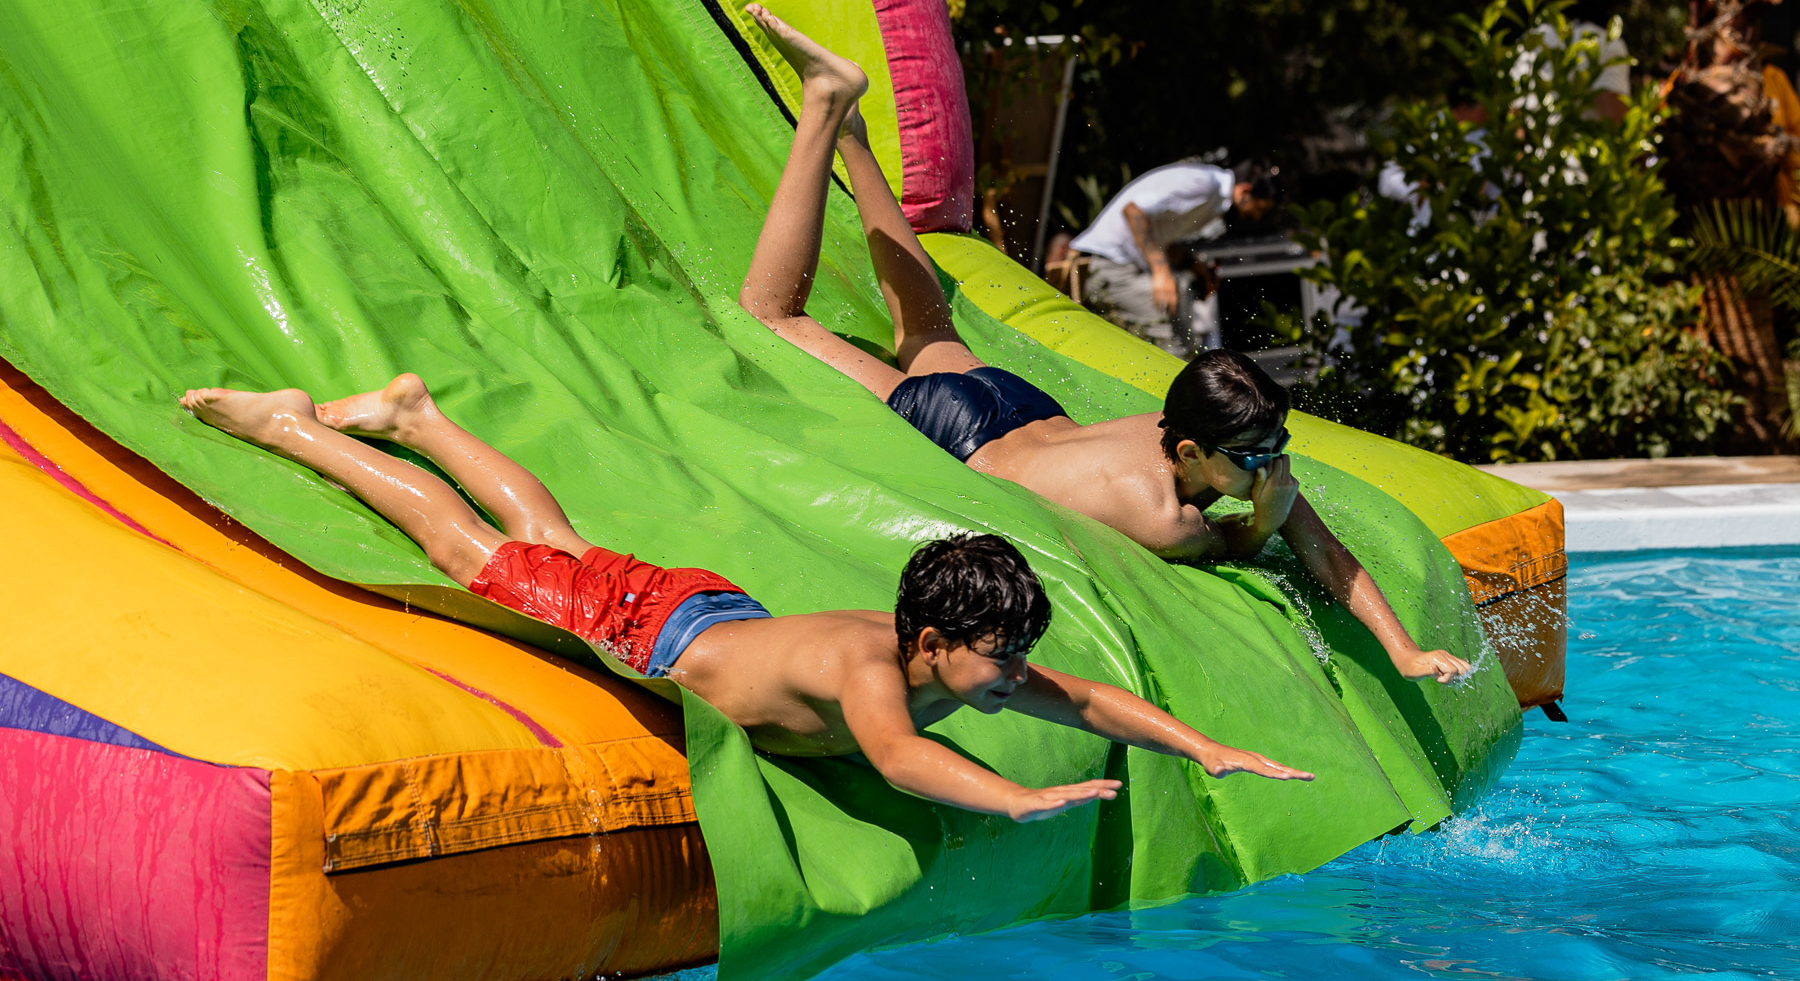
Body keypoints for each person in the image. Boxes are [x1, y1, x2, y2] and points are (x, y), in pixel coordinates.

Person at [177, 377, 1312, 822]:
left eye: (1013, 655)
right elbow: (905, 762)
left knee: (553, 537)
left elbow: (1091, 700)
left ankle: (421, 414)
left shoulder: (962, 658)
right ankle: (297, 427)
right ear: (930, 641)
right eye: (998, 657)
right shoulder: (879, 677)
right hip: (655, 629)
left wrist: (1206, 746)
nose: (1015, 675)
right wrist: (1018, 803)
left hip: (714, 613)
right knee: (474, 546)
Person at [735, 4, 1472, 685]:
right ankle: (825, 110)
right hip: (967, 429)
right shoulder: (1169, 520)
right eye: (1253, 456)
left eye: (1275, 443)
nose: (1272, 462)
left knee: (927, 327)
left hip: (1013, 409)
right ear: (1189, 453)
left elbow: (1327, 556)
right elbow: (1252, 544)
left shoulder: (1213, 447)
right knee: (774, 315)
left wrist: (1402, 651)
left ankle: (855, 136)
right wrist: (1262, 525)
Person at [1068, 159, 1282, 357]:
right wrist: (1162, 272)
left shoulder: (1213, 197)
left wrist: (1192, 265)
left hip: (1120, 267)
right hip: (1102, 265)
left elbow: (1158, 237)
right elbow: (1133, 212)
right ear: (1245, 191)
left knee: (1183, 340)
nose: (1255, 217)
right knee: (1171, 344)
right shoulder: (1204, 184)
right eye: (1259, 209)